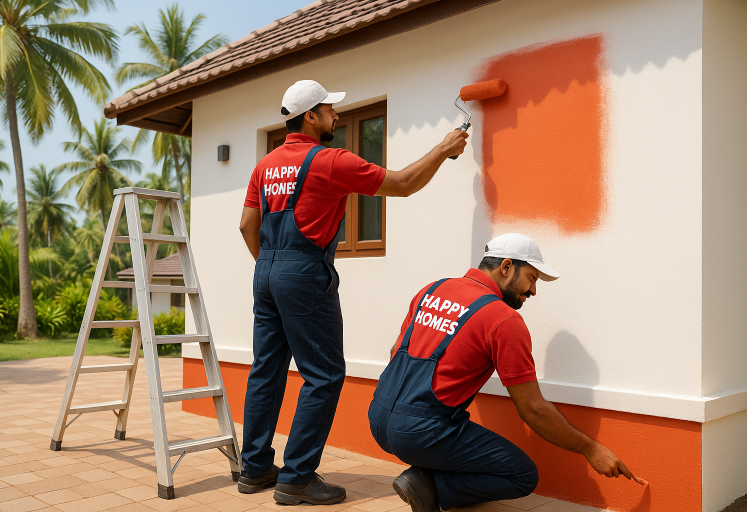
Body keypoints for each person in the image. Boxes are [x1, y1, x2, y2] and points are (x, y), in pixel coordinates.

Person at [238, 80, 469, 505]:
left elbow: (246, 227)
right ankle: (297, 479)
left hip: (267, 270)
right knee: (323, 376)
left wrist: (271, 269)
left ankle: (254, 469)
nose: (337, 116)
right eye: (329, 109)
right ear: (311, 115)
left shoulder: (265, 166)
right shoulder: (329, 161)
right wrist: (442, 149)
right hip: (303, 273)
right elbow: (401, 184)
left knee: (266, 370)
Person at [368, 233, 647, 512]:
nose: (533, 291)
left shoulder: (432, 290)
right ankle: (427, 483)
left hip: (378, 419)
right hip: (419, 433)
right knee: (521, 475)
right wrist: (591, 449)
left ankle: (425, 474)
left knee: (441, 431)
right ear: (506, 267)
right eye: (532, 278)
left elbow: (395, 351)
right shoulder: (503, 319)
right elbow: (533, 410)